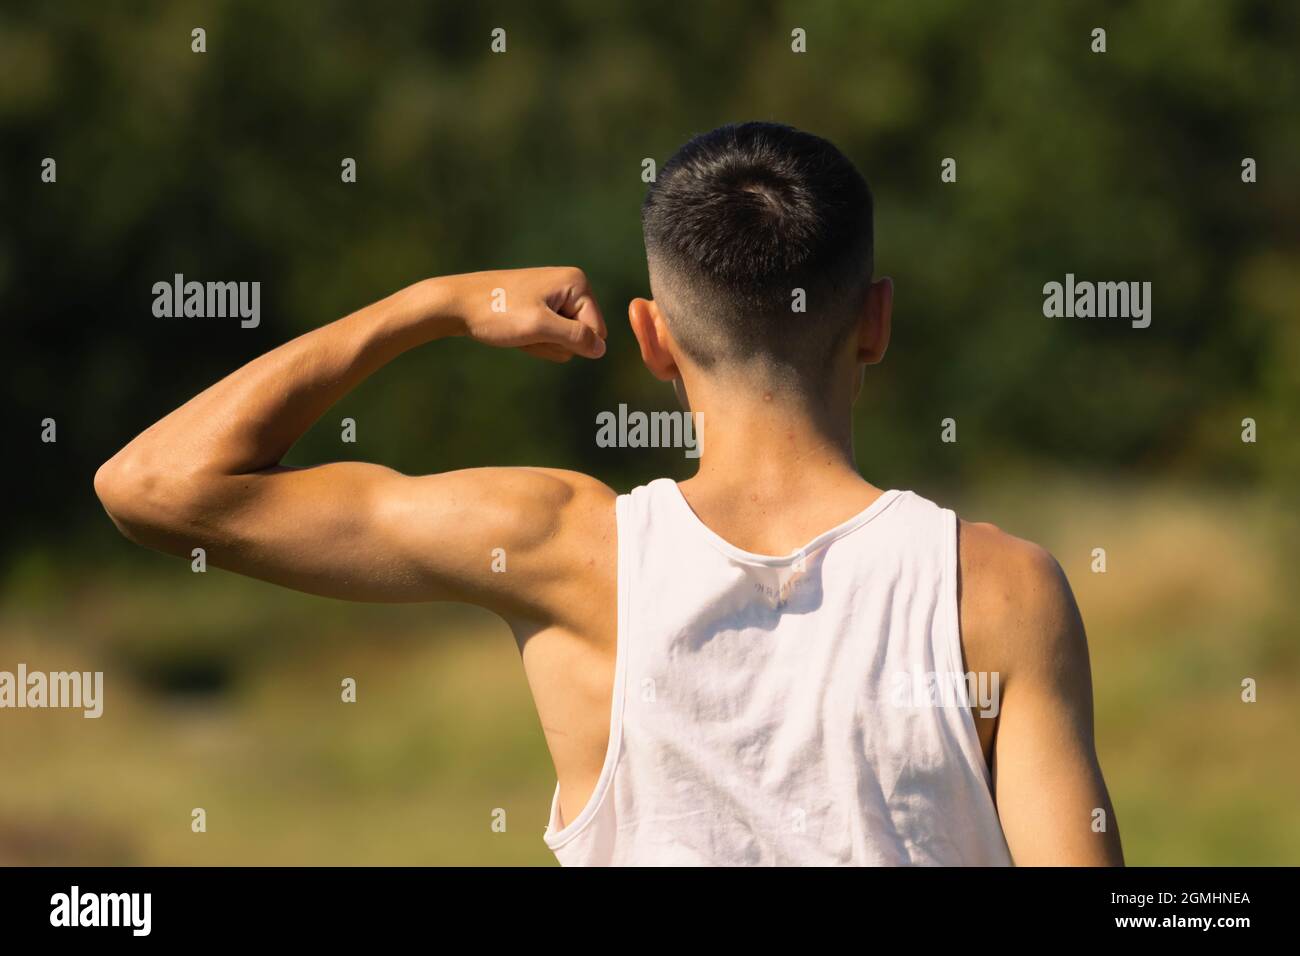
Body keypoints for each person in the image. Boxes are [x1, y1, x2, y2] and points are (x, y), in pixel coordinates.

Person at [95, 121, 1123, 866]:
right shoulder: (999, 590)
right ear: (876, 322)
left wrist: (433, 305)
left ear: (650, 337)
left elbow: (155, 485)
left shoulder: (559, 546)